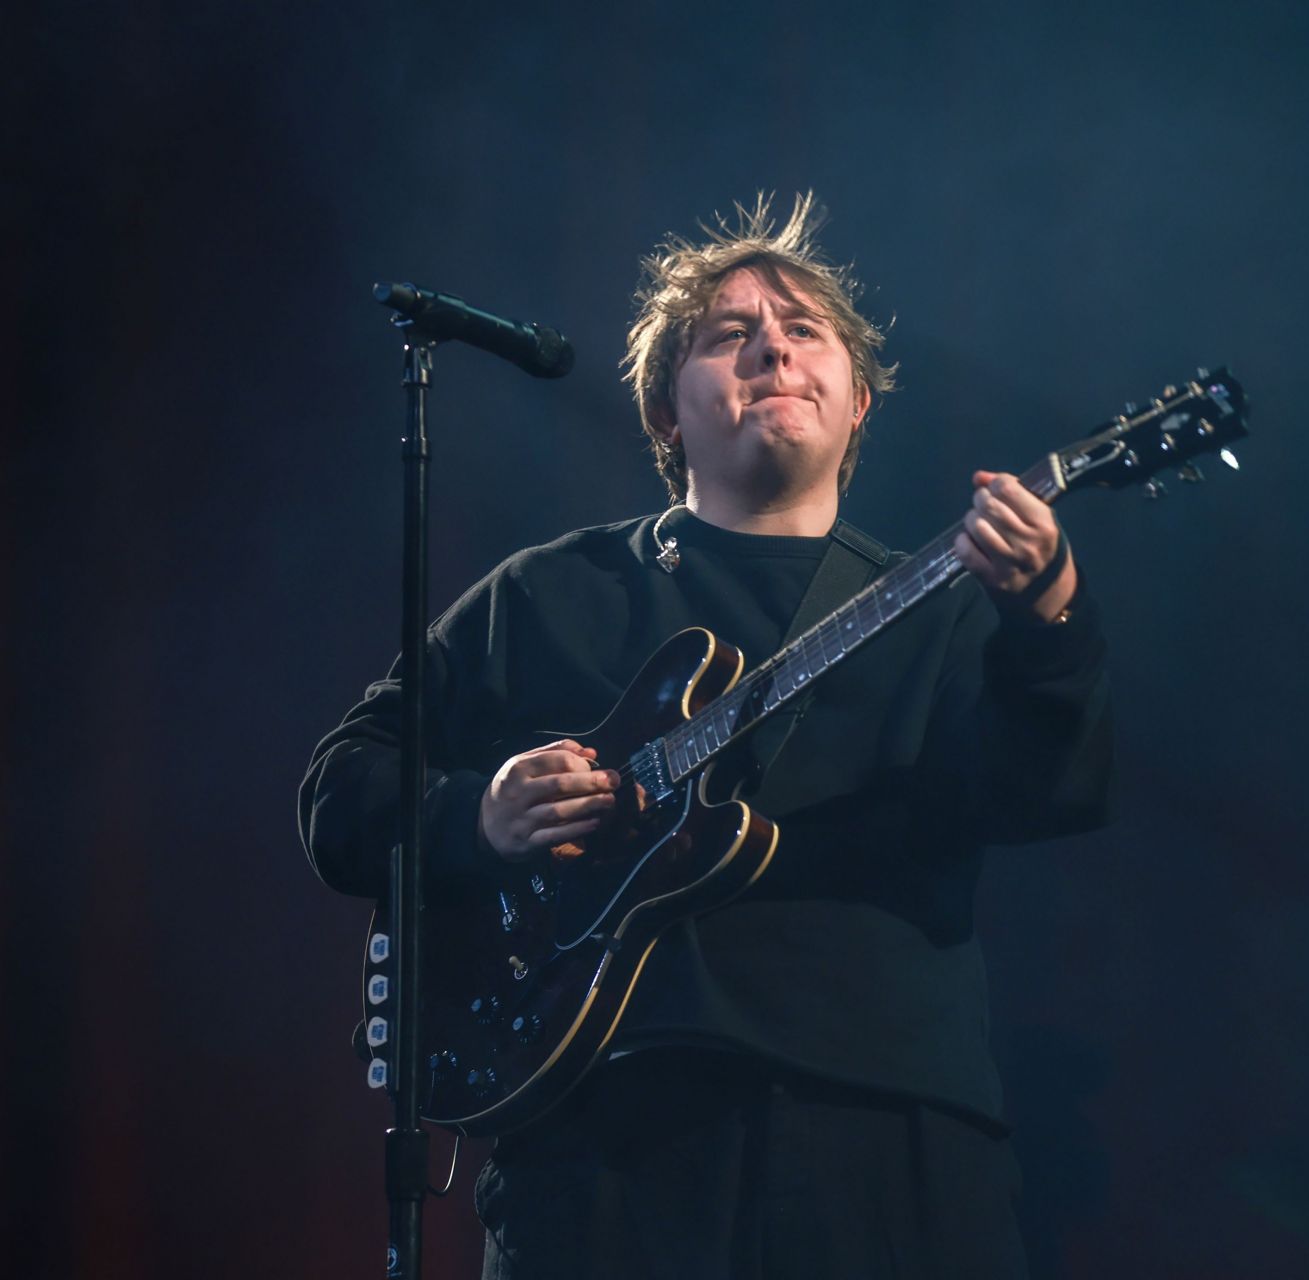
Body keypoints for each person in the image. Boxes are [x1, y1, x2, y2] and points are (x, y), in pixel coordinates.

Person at [298, 193, 1114, 1279]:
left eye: (804, 330)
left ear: (858, 399)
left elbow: (1053, 794)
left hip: (885, 1133)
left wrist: (1051, 610)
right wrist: (478, 811)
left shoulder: (954, 605)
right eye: (730, 335)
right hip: (606, 1141)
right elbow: (340, 790)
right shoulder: (552, 593)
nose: (773, 346)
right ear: (666, 413)